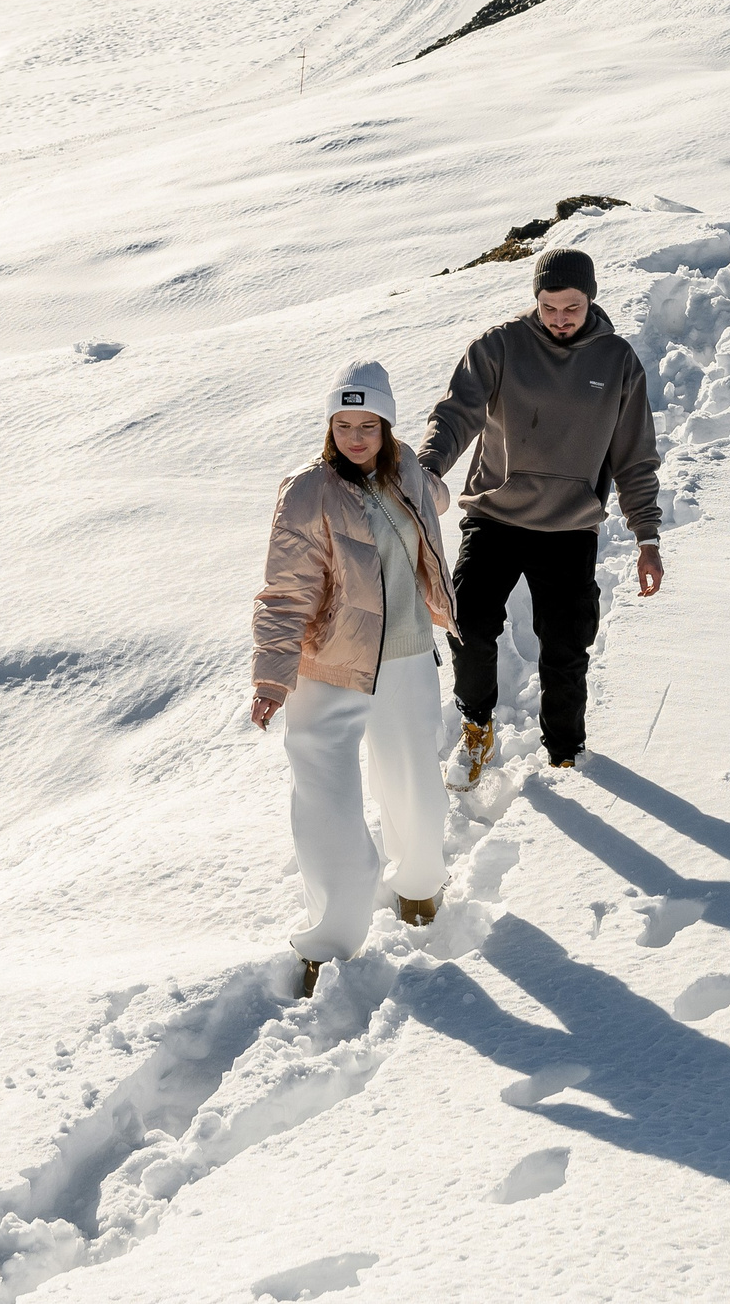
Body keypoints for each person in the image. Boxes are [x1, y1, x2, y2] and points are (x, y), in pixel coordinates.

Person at [250, 360, 458, 999]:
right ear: (330, 425)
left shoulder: (411, 477)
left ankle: (420, 888)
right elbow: (285, 592)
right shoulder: (308, 492)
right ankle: (333, 937)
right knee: (327, 799)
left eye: (369, 424)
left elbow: (438, 503)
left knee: (414, 777)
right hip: (329, 667)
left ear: (388, 425)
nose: (356, 437)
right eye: (344, 423)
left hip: (404, 654)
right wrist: (272, 678)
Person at [419, 248, 664, 775]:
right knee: (469, 621)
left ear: (590, 300)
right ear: (536, 299)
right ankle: (476, 726)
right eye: (550, 306)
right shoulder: (500, 346)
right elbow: (456, 413)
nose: (559, 317)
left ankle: (565, 755)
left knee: (567, 646)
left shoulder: (617, 361)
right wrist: (428, 467)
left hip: (569, 527)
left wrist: (647, 538)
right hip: (496, 516)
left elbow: (635, 456)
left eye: (571, 307)